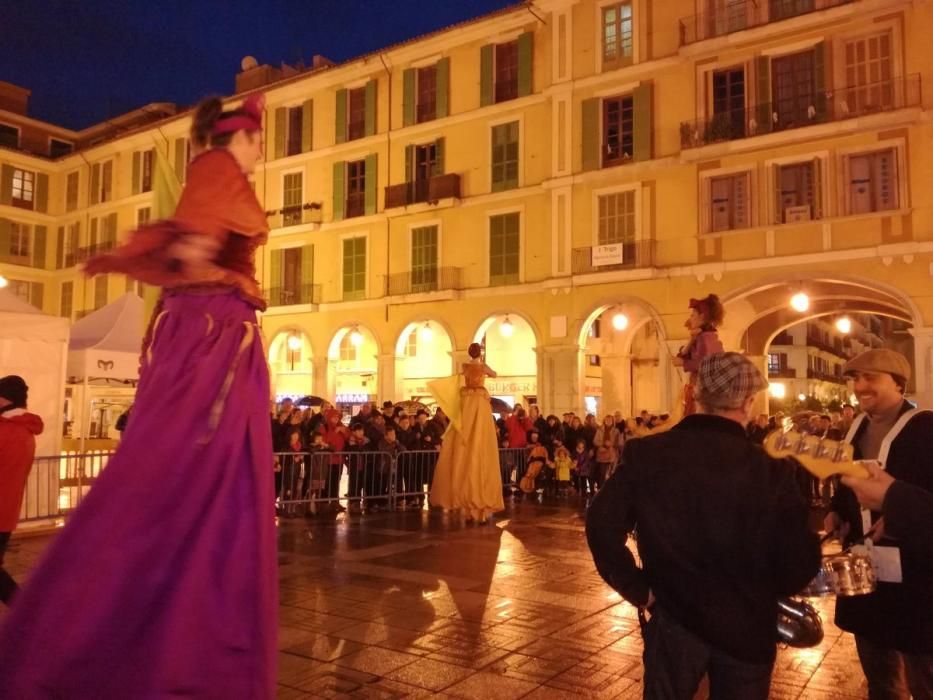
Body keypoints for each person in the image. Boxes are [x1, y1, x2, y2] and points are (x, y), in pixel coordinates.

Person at [0, 94, 277, 697]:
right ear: (237, 137)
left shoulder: (214, 174)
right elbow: (197, 237)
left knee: (192, 485)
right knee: (191, 483)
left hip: (207, 337)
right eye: (257, 139)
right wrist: (193, 253)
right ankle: (157, 627)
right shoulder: (218, 170)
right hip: (214, 343)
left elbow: (189, 241)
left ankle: (172, 615)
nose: (261, 151)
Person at [587, 352, 819, 699]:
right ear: (748, 402)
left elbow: (601, 527)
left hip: (672, 619)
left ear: (695, 395)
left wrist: (640, 590)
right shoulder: (771, 469)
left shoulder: (647, 454)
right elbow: (800, 562)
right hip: (747, 625)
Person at [823, 349, 933, 698]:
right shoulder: (854, 428)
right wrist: (837, 511)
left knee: (923, 673)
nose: (860, 385)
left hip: (917, 576)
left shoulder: (925, 427)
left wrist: (897, 512)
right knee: (879, 673)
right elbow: (847, 482)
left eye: (871, 377)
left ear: (898, 383)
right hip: (866, 571)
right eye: (855, 378)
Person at [429, 343, 504, 523]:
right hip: (478, 403)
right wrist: (486, 370)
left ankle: (471, 511)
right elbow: (495, 374)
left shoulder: (465, 367)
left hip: (467, 403)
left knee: (466, 447)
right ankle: (479, 511)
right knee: (480, 445)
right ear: (481, 353)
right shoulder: (483, 366)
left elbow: (461, 380)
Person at [0, 376, 44, 606]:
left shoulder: (7, 430)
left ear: (5, 399)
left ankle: (26, 611)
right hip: (7, 511)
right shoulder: (24, 430)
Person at [672, 294, 725, 416]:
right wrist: (691, 339)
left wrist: (684, 363)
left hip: (704, 391)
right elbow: (681, 356)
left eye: (692, 315)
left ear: (702, 316)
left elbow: (707, 363)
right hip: (698, 388)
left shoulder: (706, 337)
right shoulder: (701, 336)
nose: (690, 319)